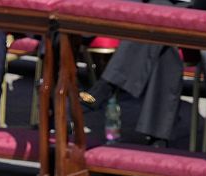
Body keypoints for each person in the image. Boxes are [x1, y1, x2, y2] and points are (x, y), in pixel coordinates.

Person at [79, 0, 189, 148]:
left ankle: (106, 86)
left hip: (181, 7)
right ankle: (159, 135)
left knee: (159, 16)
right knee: (161, 29)